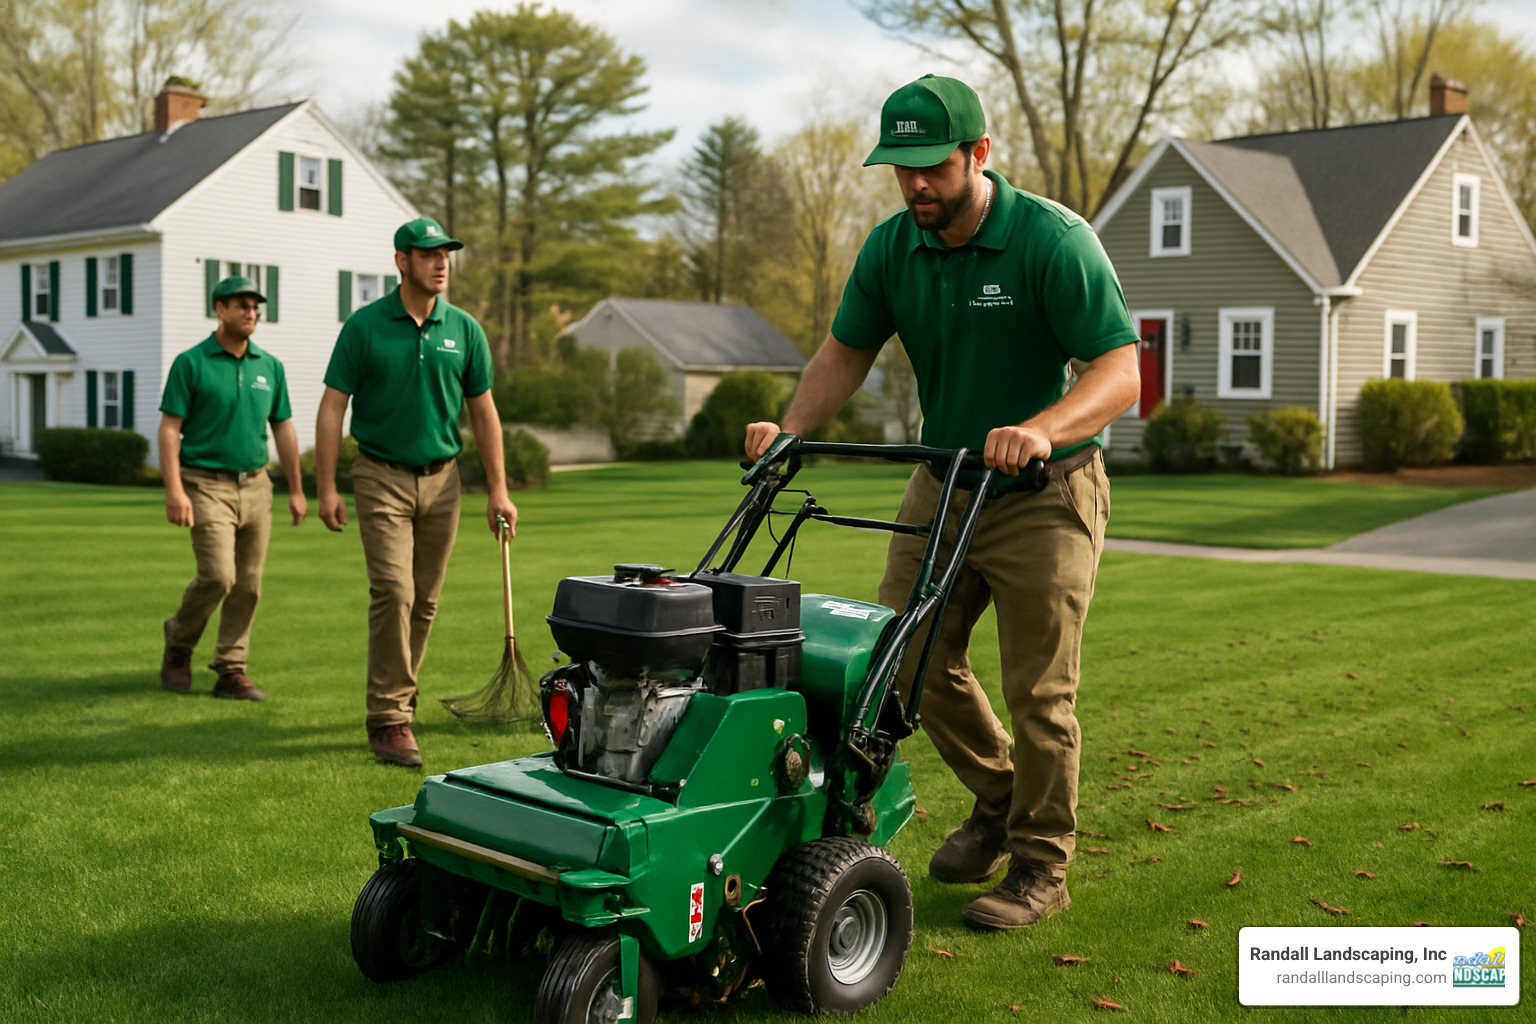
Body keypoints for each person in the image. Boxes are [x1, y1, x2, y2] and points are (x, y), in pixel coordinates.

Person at [745, 75, 1140, 931]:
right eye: (901, 168)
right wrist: (790, 430)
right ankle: (999, 797)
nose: (916, 185)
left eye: (933, 167)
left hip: (1047, 490)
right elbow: (845, 352)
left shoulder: (1051, 242)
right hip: (945, 480)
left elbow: (1119, 371)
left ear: (979, 154)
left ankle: (1041, 865)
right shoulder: (893, 249)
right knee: (899, 661)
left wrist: (1040, 428)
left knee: (1041, 691)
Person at [316, 218, 517, 768]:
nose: (442, 262)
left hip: (443, 480)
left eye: (446, 253)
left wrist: (498, 490)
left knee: (425, 601)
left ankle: (398, 701)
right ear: (402, 260)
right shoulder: (365, 327)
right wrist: (326, 486)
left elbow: (484, 412)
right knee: (394, 591)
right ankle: (389, 718)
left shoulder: (465, 330)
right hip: (379, 474)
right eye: (429, 254)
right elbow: (333, 406)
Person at [159, 275, 306, 701]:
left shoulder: (269, 366)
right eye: (241, 305)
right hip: (205, 483)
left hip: (257, 485)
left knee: (249, 584)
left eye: (255, 306)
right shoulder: (192, 363)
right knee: (218, 576)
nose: (251, 312)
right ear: (219, 309)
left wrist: (296, 489)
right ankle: (179, 641)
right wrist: (174, 490)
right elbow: (170, 430)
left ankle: (231, 670)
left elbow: (283, 428)